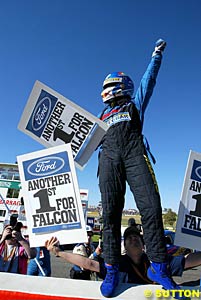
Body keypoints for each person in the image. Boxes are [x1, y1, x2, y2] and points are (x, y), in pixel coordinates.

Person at [97, 38, 184, 297]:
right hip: (108, 159)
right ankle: (111, 268)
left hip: (135, 154)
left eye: (111, 86)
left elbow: (149, 81)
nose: (108, 90)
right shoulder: (99, 117)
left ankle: (158, 266)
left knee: (151, 207)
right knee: (110, 215)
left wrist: (156, 56)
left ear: (121, 86)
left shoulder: (134, 104)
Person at [44, 227, 201, 298]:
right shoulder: (116, 263)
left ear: (143, 244)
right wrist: (58, 253)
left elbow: (187, 262)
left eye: (137, 237)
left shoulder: (157, 261)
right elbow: (89, 264)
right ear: (124, 246)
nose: (133, 238)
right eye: (129, 237)